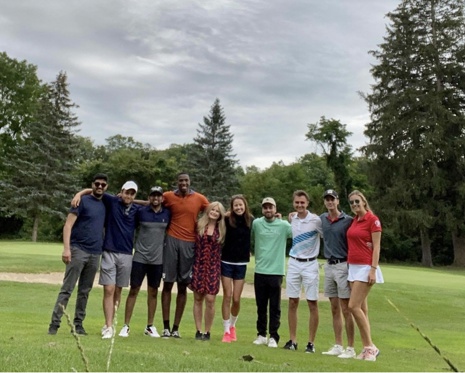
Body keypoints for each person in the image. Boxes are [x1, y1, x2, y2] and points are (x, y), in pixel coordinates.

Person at [72, 180, 141, 339]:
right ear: (121, 191)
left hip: (126, 253)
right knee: (108, 289)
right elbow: (96, 190)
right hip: (109, 251)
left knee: (118, 290)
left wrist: (137, 201)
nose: (128, 196)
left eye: (132, 193)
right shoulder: (112, 200)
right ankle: (109, 326)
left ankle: (109, 322)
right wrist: (80, 193)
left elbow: (150, 204)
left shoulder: (137, 209)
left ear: (134, 195)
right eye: (126, 192)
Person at [48, 173, 108, 336]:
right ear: (92, 184)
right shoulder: (82, 202)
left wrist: (81, 191)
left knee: (85, 291)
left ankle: (78, 324)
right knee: (67, 289)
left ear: (106, 187)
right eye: (97, 184)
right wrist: (66, 249)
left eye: (103, 184)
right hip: (78, 250)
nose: (100, 187)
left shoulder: (105, 203)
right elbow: (68, 226)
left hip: (95, 253)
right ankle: (54, 324)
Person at [161, 172, 209, 338]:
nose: (183, 183)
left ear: (190, 182)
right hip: (171, 240)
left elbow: (214, 211)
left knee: (183, 286)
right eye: (181, 180)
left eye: (186, 180)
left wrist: (235, 215)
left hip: (189, 243)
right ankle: (165, 327)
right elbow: (150, 203)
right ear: (177, 182)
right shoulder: (168, 196)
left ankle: (176, 328)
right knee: (168, 284)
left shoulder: (199, 199)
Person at [118, 186, 171, 338]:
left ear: (162, 198)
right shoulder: (141, 212)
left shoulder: (167, 213)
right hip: (140, 257)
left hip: (157, 259)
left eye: (158, 196)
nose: (155, 198)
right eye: (153, 196)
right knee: (133, 290)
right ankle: (126, 325)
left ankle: (149, 326)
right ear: (149, 197)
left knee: (153, 292)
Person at [283, 190, 322, 353]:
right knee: (292, 302)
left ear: (307, 203)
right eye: (297, 202)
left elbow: (329, 236)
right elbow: (289, 219)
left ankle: (311, 343)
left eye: (302, 203)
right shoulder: (292, 219)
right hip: (293, 262)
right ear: (294, 203)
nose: (299, 205)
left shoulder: (316, 220)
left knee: (312, 303)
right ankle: (293, 341)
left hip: (310, 264)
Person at [346, 190, 384, 361]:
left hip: (366, 267)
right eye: (351, 203)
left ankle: (370, 347)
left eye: (357, 201)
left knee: (353, 306)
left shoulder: (372, 220)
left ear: (363, 201)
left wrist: (373, 269)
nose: (354, 205)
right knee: (362, 309)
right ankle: (367, 347)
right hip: (353, 267)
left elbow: (376, 247)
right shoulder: (355, 220)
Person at [251, 197, 292, 348]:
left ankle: (273, 336)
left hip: (276, 271)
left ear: (275, 209)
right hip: (260, 270)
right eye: (265, 208)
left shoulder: (284, 225)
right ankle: (261, 334)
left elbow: (298, 233)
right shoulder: (256, 223)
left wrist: (292, 217)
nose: (268, 210)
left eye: (271, 207)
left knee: (275, 306)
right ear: (262, 209)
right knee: (261, 306)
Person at [320, 189, 355, 358]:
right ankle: (338, 345)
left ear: (337, 201)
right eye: (327, 200)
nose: (330, 202)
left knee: (346, 308)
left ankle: (350, 347)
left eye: (332, 199)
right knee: (334, 308)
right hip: (328, 266)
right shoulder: (322, 219)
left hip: (343, 265)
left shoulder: (347, 220)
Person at [190, 201, 226, 341]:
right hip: (198, 265)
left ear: (220, 214)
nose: (214, 212)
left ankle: (207, 331)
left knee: (210, 299)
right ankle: (198, 330)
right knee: (198, 298)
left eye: (217, 211)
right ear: (208, 210)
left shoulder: (222, 228)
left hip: (213, 266)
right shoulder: (199, 225)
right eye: (213, 209)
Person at [220, 195, 254, 343]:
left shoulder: (251, 220)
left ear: (245, 206)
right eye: (236, 206)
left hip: (241, 263)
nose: (239, 208)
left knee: (236, 299)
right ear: (232, 207)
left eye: (241, 205)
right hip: (226, 261)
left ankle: (233, 326)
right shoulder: (227, 219)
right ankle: (226, 330)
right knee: (227, 296)